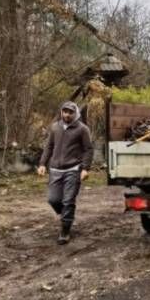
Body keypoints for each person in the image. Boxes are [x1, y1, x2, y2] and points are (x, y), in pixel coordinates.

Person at [34, 101, 93, 246]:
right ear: (61, 112)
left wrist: (85, 168)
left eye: (70, 112)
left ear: (75, 113)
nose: (66, 114)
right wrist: (42, 164)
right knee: (53, 200)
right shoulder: (55, 127)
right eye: (64, 111)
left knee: (68, 201)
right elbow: (49, 147)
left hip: (73, 170)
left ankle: (65, 231)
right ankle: (67, 215)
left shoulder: (82, 129)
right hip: (55, 169)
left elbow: (88, 150)